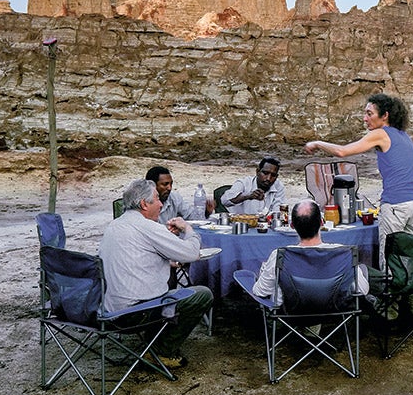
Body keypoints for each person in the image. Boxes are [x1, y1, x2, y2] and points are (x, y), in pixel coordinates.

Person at [99, 179, 213, 368]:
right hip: (134, 313)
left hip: (108, 309)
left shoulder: (114, 226)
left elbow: (131, 258)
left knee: (167, 280)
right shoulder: (148, 227)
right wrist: (188, 230)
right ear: (144, 204)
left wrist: (165, 256)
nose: (161, 204)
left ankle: (155, 340)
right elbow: (192, 253)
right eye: (157, 199)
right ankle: (162, 352)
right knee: (202, 294)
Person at [305, 93, 413, 266]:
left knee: (389, 259)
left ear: (385, 116)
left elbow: (342, 152)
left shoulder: (381, 134)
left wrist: (317, 143)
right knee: (408, 256)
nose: (365, 118)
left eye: (369, 114)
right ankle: (411, 291)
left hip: (396, 206)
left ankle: (389, 292)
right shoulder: (404, 136)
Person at [252, 199, 369, 306]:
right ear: (322, 223)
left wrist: (263, 272)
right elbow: (363, 290)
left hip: (291, 314)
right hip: (335, 312)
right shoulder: (343, 254)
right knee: (362, 270)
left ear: (292, 226)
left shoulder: (279, 256)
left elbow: (260, 291)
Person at [145, 165, 212, 224]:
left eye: (171, 184)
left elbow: (192, 219)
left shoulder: (174, 198)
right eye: (165, 184)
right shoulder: (143, 203)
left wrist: (206, 212)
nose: (169, 188)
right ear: (152, 185)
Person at [222, 157, 287, 217]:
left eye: (273, 175)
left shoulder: (278, 187)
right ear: (257, 171)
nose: (268, 178)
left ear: (277, 176)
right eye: (265, 173)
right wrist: (247, 196)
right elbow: (225, 201)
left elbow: (278, 211)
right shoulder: (244, 183)